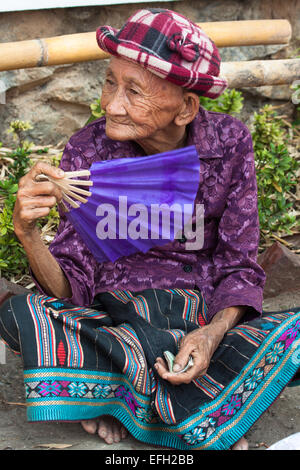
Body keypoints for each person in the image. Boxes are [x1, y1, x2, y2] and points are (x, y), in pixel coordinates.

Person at [0, 8, 299, 451]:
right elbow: (70, 285)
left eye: (133, 91)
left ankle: (122, 398)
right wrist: (27, 234)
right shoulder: (89, 149)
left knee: (288, 335)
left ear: (187, 108)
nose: (110, 104)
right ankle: (207, 409)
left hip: (194, 313)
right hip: (113, 317)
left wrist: (212, 332)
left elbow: (238, 262)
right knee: (21, 315)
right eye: (109, 82)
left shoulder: (228, 144)